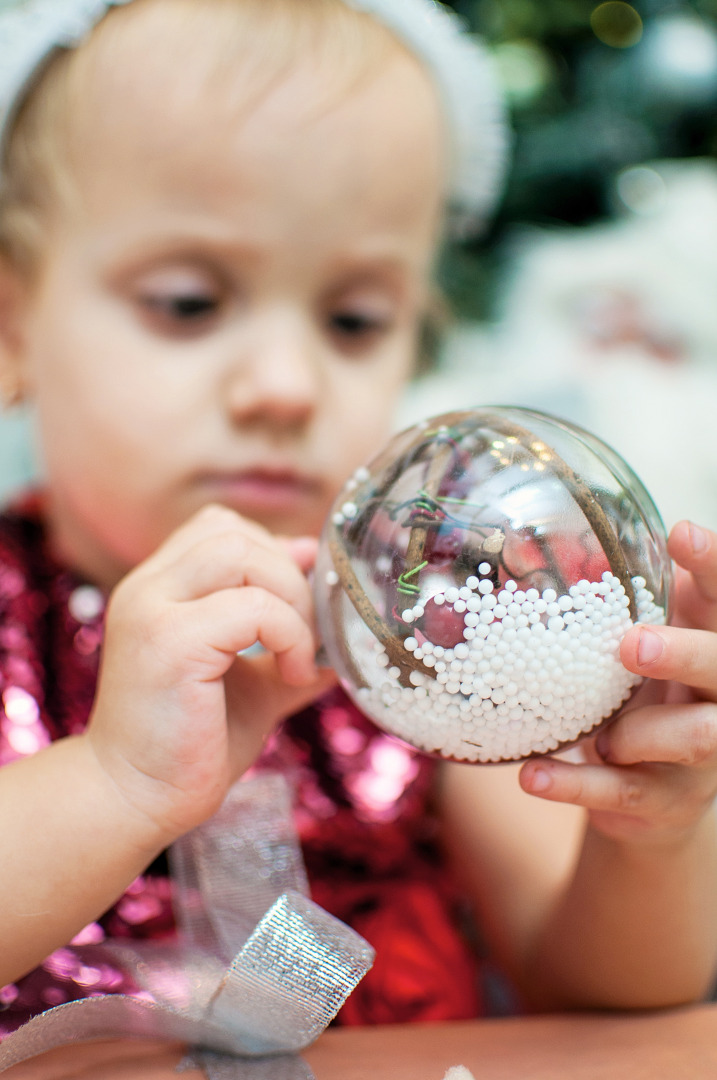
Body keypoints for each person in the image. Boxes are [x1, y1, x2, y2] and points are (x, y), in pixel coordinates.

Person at [0, 0, 716, 1042]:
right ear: (13, 320)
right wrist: (118, 781)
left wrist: (647, 837)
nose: (287, 385)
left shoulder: (423, 638)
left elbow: (596, 1008)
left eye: (354, 320)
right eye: (189, 302)